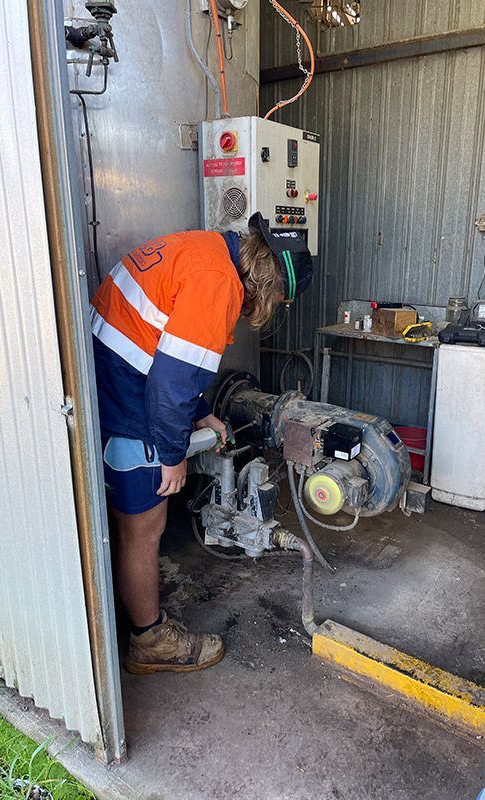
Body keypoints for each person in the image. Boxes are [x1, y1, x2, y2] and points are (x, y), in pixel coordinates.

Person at [90, 212, 313, 674]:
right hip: (127, 394)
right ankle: (149, 640)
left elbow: (169, 353)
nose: (270, 308)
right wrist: (172, 458)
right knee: (143, 528)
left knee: (133, 524)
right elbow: (168, 385)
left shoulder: (209, 250)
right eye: (278, 300)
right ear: (269, 284)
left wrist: (201, 413)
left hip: (112, 369)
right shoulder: (218, 285)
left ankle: (135, 614)